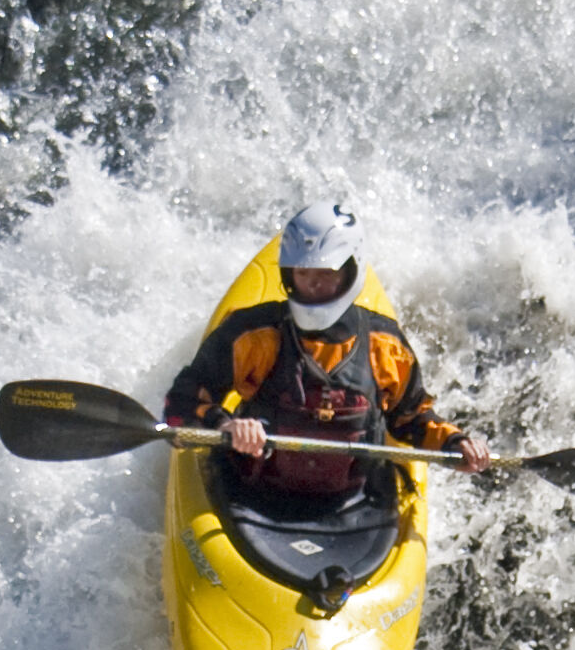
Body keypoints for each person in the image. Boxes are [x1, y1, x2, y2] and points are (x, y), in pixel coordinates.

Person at [164, 203, 491, 498]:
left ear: (350, 272)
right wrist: (224, 426)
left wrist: (455, 444)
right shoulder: (253, 335)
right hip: (254, 495)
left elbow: (412, 418)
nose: (312, 285)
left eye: (325, 274)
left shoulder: (385, 345)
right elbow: (181, 403)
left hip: (354, 504)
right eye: (303, 273)